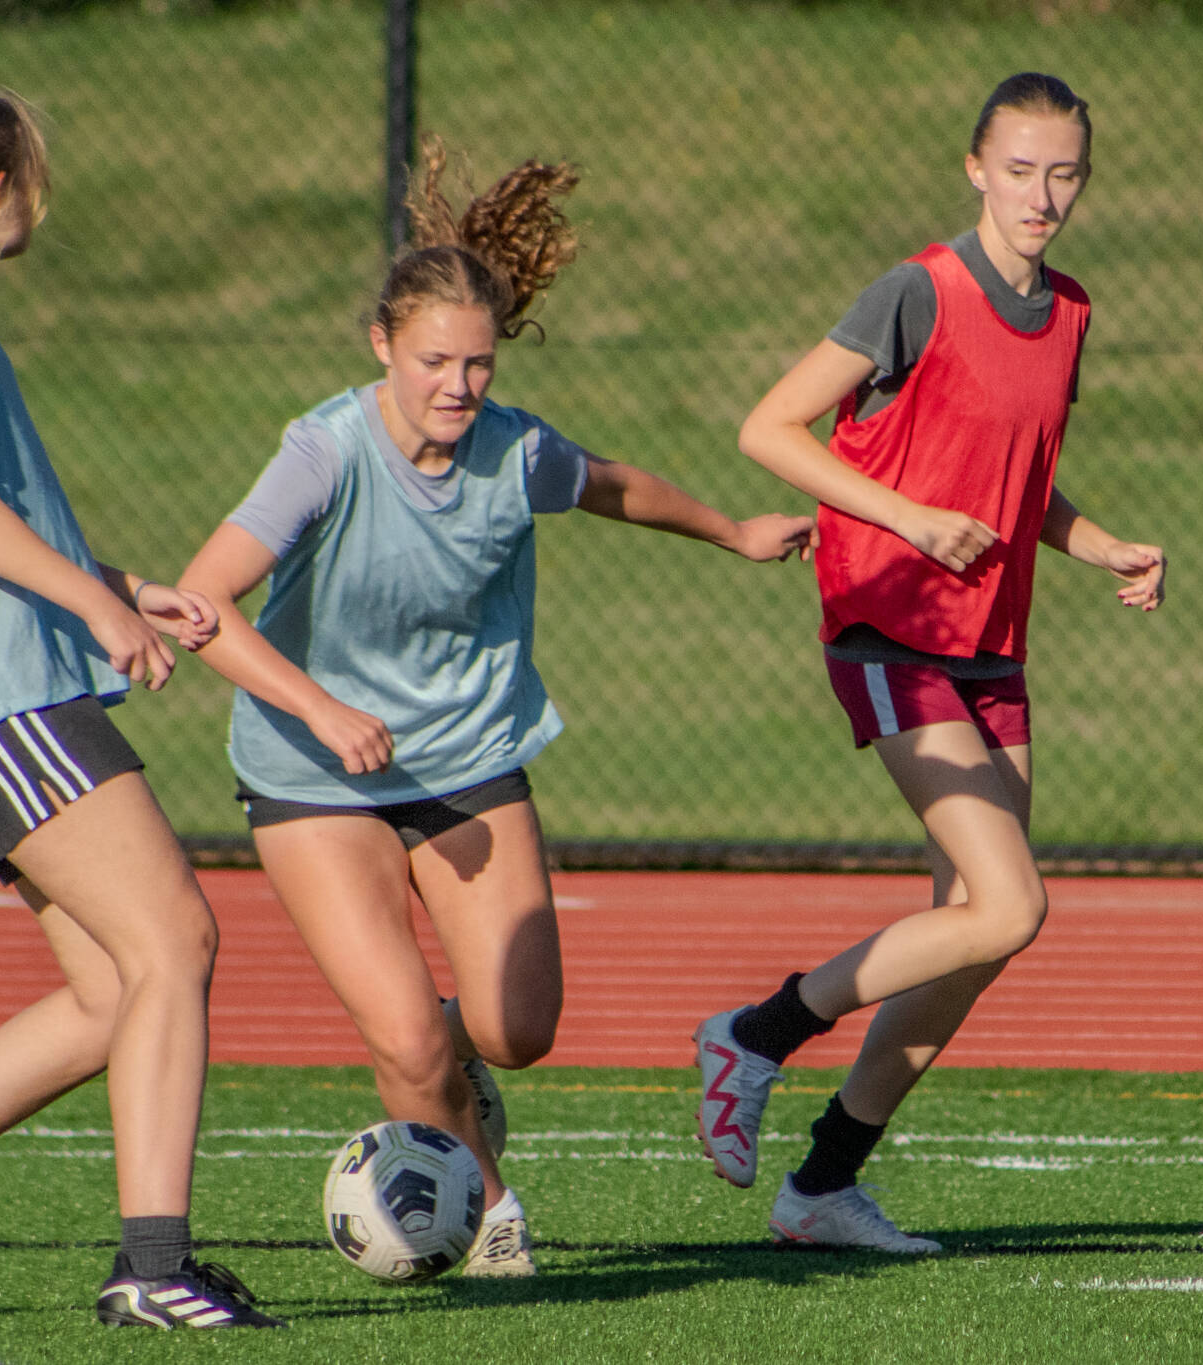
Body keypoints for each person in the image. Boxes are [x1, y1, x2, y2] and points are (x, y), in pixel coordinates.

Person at [176, 136, 815, 1278]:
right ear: (382, 346)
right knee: (409, 1036)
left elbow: (614, 484)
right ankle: (486, 1214)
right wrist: (320, 710)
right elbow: (204, 600)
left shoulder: (515, 455)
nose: (458, 386)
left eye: (477, 364)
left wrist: (732, 530)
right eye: (433, 361)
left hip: (465, 757)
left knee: (517, 1032)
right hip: (313, 773)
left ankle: (454, 1082)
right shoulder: (324, 452)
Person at [0, 86, 279, 1329]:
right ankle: (152, 1269)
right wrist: (94, 609)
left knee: (115, 991)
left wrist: (130, 591)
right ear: (7, 187)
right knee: (176, 942)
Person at [691, 73, 1163, 1253]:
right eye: (1018, 169)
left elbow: (1012, 474)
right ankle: (754, 1034)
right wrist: (904, 519)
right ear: (972, 168)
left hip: (991, 646)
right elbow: (767, 428)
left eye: (1064, 172)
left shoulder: (1070, 311)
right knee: (1009, 902)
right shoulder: (917, 290)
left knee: (981, 926)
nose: (1041, 195)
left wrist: (1098, 544)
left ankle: (821, 1186)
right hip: (888, 624)